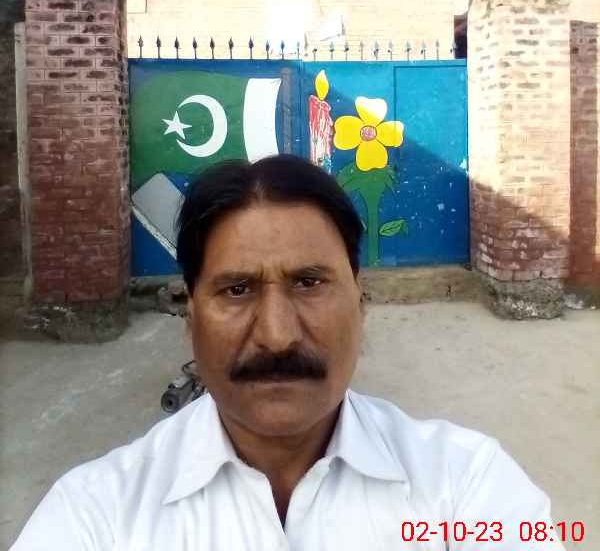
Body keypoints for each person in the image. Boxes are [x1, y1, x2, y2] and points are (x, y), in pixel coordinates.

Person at [12, 154, 566, 550]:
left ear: (361, 303)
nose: (277, 336)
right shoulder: (97, 515)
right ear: (190, 318)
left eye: (308, 283)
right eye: (237, 289)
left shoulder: (465, 484)